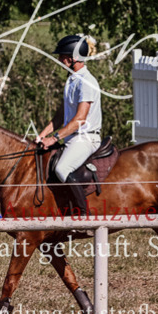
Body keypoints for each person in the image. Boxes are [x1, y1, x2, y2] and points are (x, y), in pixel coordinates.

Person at [36, 34, 102, 216]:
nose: (59, 60)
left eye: (62, 56)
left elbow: (80, 119)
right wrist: (42, 136)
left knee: (61, 168)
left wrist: (54, 138)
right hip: (73, 137)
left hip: (87, 137)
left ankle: (83, 215)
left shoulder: (87, 82)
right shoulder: (72, 79)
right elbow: (60, 116)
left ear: (73, 58)